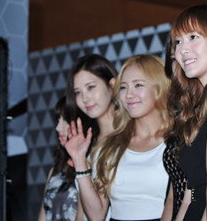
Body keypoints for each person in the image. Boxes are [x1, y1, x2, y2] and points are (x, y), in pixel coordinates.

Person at [65, 54, 173, 221]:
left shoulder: (178, 142)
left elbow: (192, 196)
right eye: (123, 87)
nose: (129, 94)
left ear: (159, 86)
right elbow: (96, 215)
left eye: (138, 85)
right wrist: (79, 161)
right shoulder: (109, 146)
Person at [162, 5, 207, 220]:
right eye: (178, 42)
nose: (182, 50)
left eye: (193, 37)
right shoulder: (194, 110)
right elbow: (191, 194)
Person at [39, 96, 92, 221]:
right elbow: (43, 216)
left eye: (65, 120)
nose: (58, 128)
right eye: (58, 120)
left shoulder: (92, 166)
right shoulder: (55, 171)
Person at [65, 54, 117, 143]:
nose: (85, 99)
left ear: (112, 85)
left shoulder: (136, 132)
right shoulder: (84, 142)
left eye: (90, 87)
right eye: (78, 92)